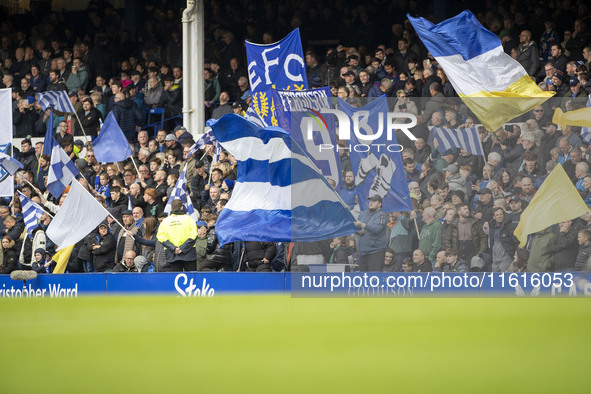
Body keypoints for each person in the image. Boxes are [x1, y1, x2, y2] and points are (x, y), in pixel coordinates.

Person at [156, 199, 197, 271]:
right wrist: (182, 248)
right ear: (181, 207)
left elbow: (160, 237)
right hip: (188, 253)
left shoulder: (165, 221)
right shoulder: (189, 219)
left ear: (171, 208)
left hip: (172, 254)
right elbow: (194, 235)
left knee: (175, 278)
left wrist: (174, 248)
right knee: (192, 279)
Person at [354, 195, 387, 271]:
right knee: (364, 280)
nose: (371, 202)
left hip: (375, 252)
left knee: (374, 279)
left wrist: (362, 225)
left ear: (380, 204)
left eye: (374, 201)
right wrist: (358, 231)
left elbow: (377, 229)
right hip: (362, 252)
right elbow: (355, 227)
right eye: (370, 201)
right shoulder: (363, 214)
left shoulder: (381, 215)